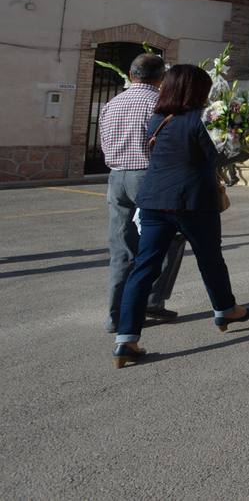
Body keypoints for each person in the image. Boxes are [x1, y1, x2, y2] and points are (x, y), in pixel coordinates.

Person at [112, 64, 249, 368]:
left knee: (144, 268)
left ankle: (126, 339)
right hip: (193, 204)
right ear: (196, 91)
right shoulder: (200, 121)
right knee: (210, 259)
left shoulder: (157, 120)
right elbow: (216, 157)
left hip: (153, 201)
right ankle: (225, 309)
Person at [98, 52, 186, 333]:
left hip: (116, 178)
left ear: (131, 74)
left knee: (121, 247)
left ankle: (116, 316)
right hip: (148, 178)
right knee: (169, 239)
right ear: (161, 77)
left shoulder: (112, 103)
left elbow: (103, 141)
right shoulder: (159, 104)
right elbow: (169, 147)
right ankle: (152, 300)